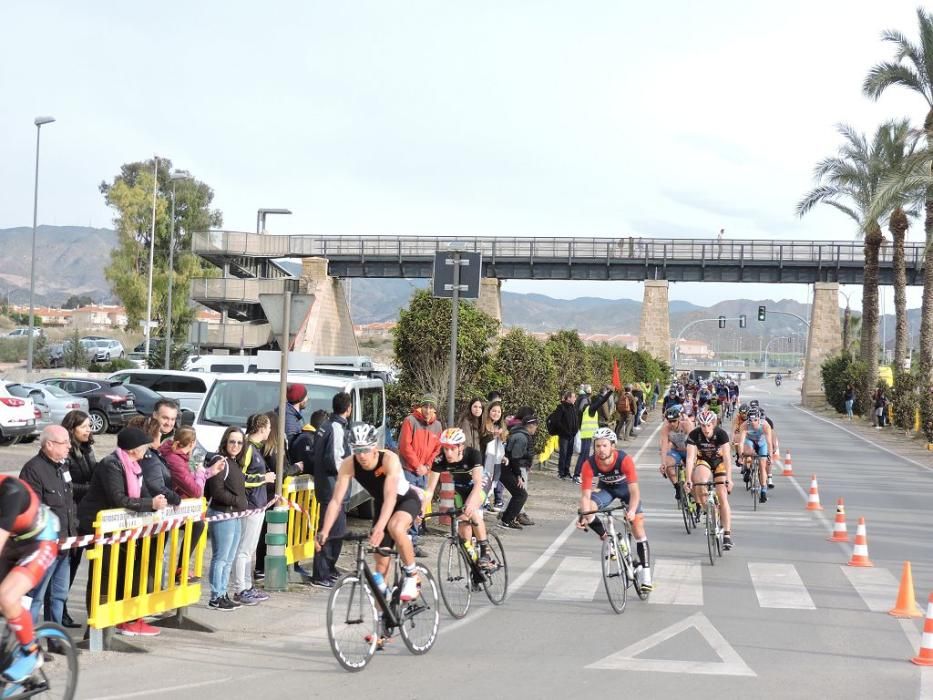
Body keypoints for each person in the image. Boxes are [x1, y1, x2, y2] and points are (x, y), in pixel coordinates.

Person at [77, 427, 168, 636]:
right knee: (103, 575)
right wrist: (150, 503)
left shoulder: (133, 466)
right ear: (134, 449)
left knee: (117, 575)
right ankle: (96, 627)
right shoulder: (111, 464)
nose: (147, 452)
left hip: (119, 529)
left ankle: (114, 620)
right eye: (144, 448)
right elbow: (118, 498)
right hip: (100, 527)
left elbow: (142, 491)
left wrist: (158, 501)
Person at [316, 424, 422, 602]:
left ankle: (413, 575)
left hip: (404, 500)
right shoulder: (349, 464)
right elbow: (336, 501)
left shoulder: (388, 459)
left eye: (365, 449)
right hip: (382, 505)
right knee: (379, 572)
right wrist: (324, 531)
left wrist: (380, 527)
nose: (362, 455)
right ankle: (383, 624)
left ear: (374, 446)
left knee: (395, 527)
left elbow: (390, 498)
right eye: (357, 450)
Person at [576, 428, 652, 591]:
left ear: (612, 446)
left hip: (626, 491)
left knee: (637, 526)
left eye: (604, 445)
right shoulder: (589, 464)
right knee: (586, 509)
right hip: (607, 491)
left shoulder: (624, 460)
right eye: (597, 446)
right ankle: (609, 537)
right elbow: (585, 495)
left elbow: (635, 492)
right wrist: (584, 514)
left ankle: (646, 575)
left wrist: (631, 511)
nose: (600, 450)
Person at [0, 475, 59, 685]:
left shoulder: (10, 491)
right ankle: (7, 652)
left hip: (40, 542)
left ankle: (31, 652)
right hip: (12, 544)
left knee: (6, 597)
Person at [18, 426, 75, 629]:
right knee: (35, 597)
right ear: (49, 444)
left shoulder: (63, 467)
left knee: (58, 595)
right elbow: (34, 510)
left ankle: (54, 638)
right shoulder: (33, 470)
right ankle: (28, 644)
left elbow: (68, 503)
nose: (69, 446)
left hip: (64, 545)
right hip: (44, 547)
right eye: (64, 442)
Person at [420, 428, 494, 569]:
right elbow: (429, 490)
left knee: (471, 511)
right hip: (461, 487)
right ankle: (474, 566)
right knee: (462, 524)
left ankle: (485, 551)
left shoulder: (473, 455)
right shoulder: (439, 460)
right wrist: (421, 509)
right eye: (445, 448)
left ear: (461, 447)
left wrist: (471, 504)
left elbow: (478, 483)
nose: (448, 453)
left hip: (480, 483)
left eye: (452, 448)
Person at [309, 392, 353, 587]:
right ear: (349, 409)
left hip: (330, 487)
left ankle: (329, 568)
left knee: (337, 530)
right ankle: (320, 574)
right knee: (330, 531)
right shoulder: (335, 427)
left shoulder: (327, 425)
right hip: (332, 488)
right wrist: (347, 473)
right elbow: (335, 459)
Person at [232, 414, 276, 606]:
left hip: (257, 504)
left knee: (249, 550)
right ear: (262, 428)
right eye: (268, 427)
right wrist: (263, 479)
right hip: (250, 506)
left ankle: (247, 587)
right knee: (244, 550)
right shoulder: (249, 448)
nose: (269, 431)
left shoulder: (254, 448)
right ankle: (240, 588)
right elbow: (240, 478)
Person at [205, 426, 248, 611]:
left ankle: (223, 593)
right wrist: (237, 501)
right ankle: (216, 596)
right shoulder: (220, 460)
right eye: (232, 441)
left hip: (234, 515)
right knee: (220, 558)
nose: (236, 445)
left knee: (228, 559)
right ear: (225, 442)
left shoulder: (234, 462)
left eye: (239, 442)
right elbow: (216, 490)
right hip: (222, 514)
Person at [60, 409, 96, 629]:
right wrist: (91, 489)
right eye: (84, 426)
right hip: (71, 515)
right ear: (72, 429)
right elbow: (68, 486)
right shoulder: (66, 453)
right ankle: (58, 611)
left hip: (84, 515)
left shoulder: (88, 449)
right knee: (66, 566)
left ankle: (61, 609)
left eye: (89, 426)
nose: (88, 430)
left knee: (73, 565)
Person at [397, 395, 443, 555]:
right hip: (407, 470)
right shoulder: (410, 421)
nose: (428, 410)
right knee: (406, 504)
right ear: (420, 407)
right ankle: (402, 539)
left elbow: (437, 448)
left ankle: (413, 542)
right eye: (425, 406)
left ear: (435, 409)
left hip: (423, 471)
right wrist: (417, 465)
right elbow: (404, 446)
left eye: (431, 407)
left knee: (418, 506)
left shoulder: (437, 426)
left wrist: (427, 466)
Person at [685, 410, 734, 550]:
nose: (706, 429)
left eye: (708, 425)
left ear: (714, 424)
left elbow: (727, 458)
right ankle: (708, 510)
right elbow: (690, 459)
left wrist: (729, 479)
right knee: (699, 483)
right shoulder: (694, 435)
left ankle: (727, 534)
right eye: (703, 425)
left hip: (719, 462)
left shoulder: (721, 434)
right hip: (704, 461)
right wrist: (688, 479)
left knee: (722, 496)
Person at [499, 413, 534, 529]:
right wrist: (518, 475)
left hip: (506, 467)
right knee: (521, 494)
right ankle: (507, 520)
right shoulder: (522, 437)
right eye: (535, 426)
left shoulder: (518, 433)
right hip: (506, 467)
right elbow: (515, 457)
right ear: (531, 426)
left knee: (519, 493)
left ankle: (507, 518)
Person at [572, 386, 613, 482]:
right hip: (586, 435)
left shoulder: (587, 409)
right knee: (584, 455)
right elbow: (602, 401)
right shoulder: (591, 409)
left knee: (586, 457)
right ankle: (576, 475)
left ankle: (585, 475)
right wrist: (610, 392)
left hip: (587, 434)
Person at [658, 404, 694, 502]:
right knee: (668, 464)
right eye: (670, 421)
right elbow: (664, 446)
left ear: (678, 419)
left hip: (688, 450)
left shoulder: (686, 424)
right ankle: (677, 487)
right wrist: (663, 463)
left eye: (674, 421)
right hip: (676, 451)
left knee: (692, 472)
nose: (672, 424)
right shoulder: (665, 428)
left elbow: (694, 443)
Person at [738, 408, 773, 504]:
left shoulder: (765, 425)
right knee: (748, 451)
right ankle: (748, 469)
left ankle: (763, 491)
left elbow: (769, 443)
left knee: (762, 465)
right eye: (750, 421)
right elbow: (741, 443)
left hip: (762, 443)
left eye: (755, 420)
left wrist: (770, 456)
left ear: (759, 419)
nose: (753, 423)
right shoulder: (744, 426)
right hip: (750, 442)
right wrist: (741, 457)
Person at [481, 400, 507, 512]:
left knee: (493, 482)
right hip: (485, 458)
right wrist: (493, 435)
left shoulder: (500, 426)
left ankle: (485, 500)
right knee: (484, 481)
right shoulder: (484, 425)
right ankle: (483, 502)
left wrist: (503, 457)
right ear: (489, 411)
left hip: (496, 459)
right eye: (493, 411)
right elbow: (483, 442)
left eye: (498, 412)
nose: (496, 413)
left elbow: (500, 445)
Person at [552, 390, 580, 480]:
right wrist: (564, 431)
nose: (575, 398)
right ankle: (561, 472)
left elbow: (575, 420)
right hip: (564, 435)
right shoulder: (561, 407)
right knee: (563, 453)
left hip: (572, 435)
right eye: (573, 397)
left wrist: (575, 430)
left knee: (569, 453)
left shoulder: (573, 407)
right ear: (568, 398)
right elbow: (557, 421)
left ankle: (567, 471)